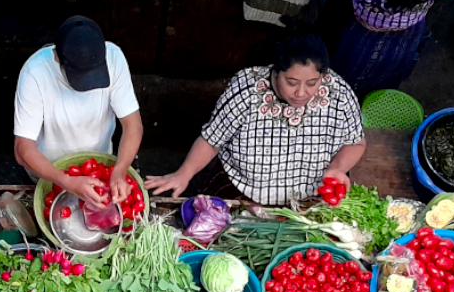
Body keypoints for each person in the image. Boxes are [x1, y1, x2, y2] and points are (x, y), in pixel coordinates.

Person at [148, 34, 366, 206]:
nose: (301, 92)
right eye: (291, 82)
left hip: (310, 200)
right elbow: (211, 140)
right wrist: (183, 173)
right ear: (276, 71)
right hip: (242, 192)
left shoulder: (338, 93)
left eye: (312, 83)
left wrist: (338, 168)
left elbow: (356, 141)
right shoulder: (247, 90)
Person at [13, 16, 143, 208]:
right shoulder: (35, 73)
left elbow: (133, 126)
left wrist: (120, 170)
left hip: (98, 169)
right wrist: (65, 181)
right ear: (57, 56)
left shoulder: (114, 58)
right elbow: (22, 149)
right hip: (48, 172)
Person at [331, 0, 436, 97]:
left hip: (366, 35)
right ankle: (378, 98)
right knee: (390, 73)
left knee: (352, 75)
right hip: (411, 29)